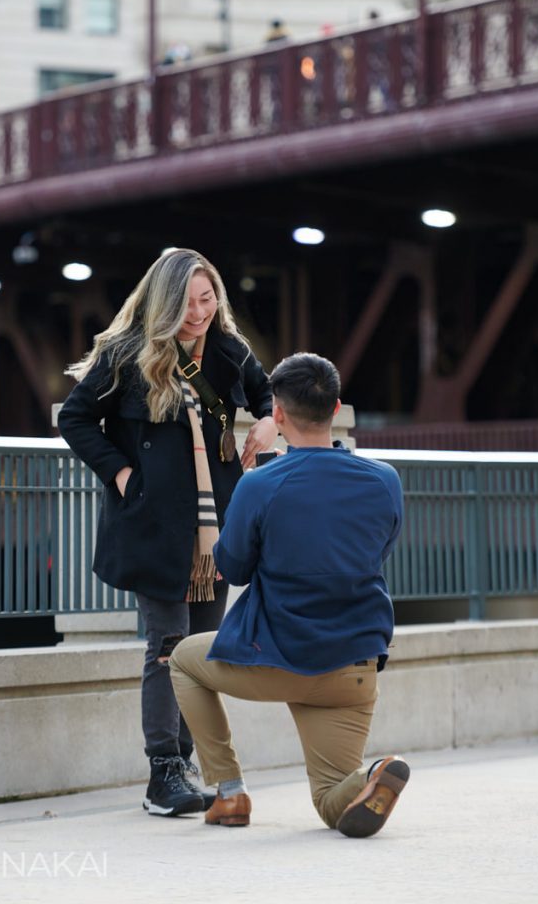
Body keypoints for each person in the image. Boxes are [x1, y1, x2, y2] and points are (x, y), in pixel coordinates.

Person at [58, 248, 278, 818]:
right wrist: (122, 472)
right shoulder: (127, 355)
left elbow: (264, 392)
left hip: (214, 531)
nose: (199, 313)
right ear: (163, 303)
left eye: (208, 300)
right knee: (167, 645)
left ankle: (184, 763)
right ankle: (163, 774)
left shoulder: (227, 351)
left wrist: (270, 421)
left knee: (202, 650)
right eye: (188, 303)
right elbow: (74, 417)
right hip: (156, 524)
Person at [169, 352, 408, 838]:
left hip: (278, 657)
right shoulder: (385, 480)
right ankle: (369, 776)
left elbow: (231, 568)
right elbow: (378, 550)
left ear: (277, 414)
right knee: (331, 800)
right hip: (352, 665)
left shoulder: (261, 483)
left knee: (181, 660)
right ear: (336, 407)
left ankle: (230, 790)